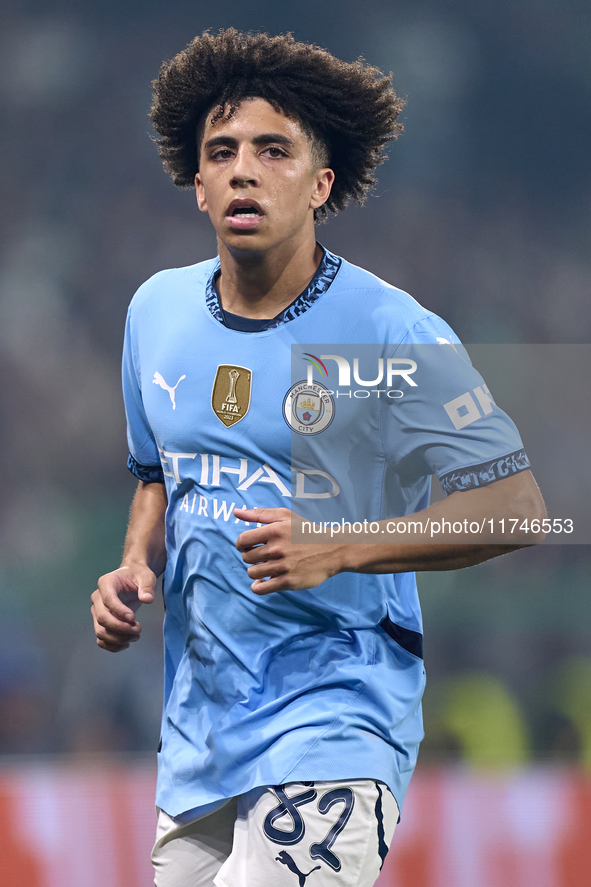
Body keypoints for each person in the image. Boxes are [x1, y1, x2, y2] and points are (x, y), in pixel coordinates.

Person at [91, 29, 546, 887]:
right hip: (199, 736)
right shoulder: (154, 311)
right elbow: (156, 470)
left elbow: (517, 507)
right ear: (197, 186)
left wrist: (338, 545)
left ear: (320, 183)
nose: (243, 169)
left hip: (336, 716)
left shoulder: (391, 331)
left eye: (272, 149)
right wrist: (129, 565)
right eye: (220, 153)